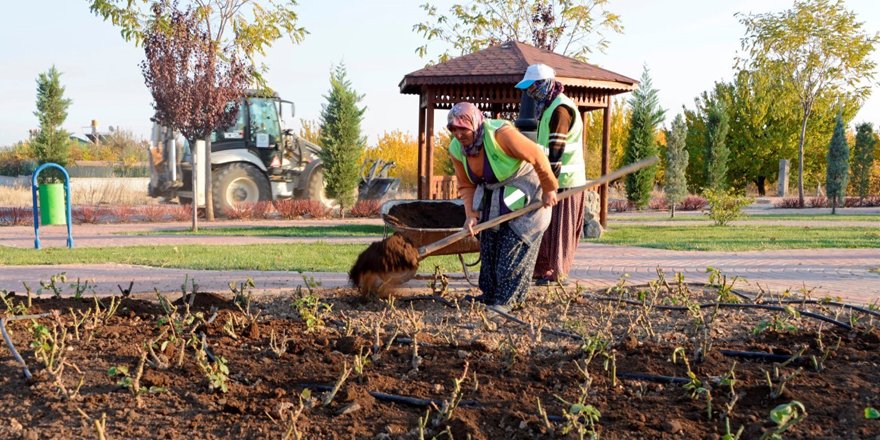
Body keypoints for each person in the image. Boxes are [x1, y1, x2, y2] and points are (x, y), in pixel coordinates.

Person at [446, 102, 558, 309]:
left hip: (527, 188)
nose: (459, 135)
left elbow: (537, 155)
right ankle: (489, 295)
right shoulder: (456, 149)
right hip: (495, 192)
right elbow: (466, 184)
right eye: (453, 129)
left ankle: (507, 300)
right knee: (489, 241)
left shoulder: (500, 134)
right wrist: (471, 215)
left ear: (475, 123)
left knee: (513, 242)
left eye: (463, 129)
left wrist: (549, 187)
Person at [515, 63, 588, 285]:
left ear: (545, 84)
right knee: (545, 225)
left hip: (566, 181)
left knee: (561, 229)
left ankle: (557, 272)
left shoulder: (560, 110)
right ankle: (542, 268)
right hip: (553, 179)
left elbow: (556, 150)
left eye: (533, 86)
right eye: (527, 88)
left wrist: (550, 186)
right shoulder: (547, 107)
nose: (530, 92)